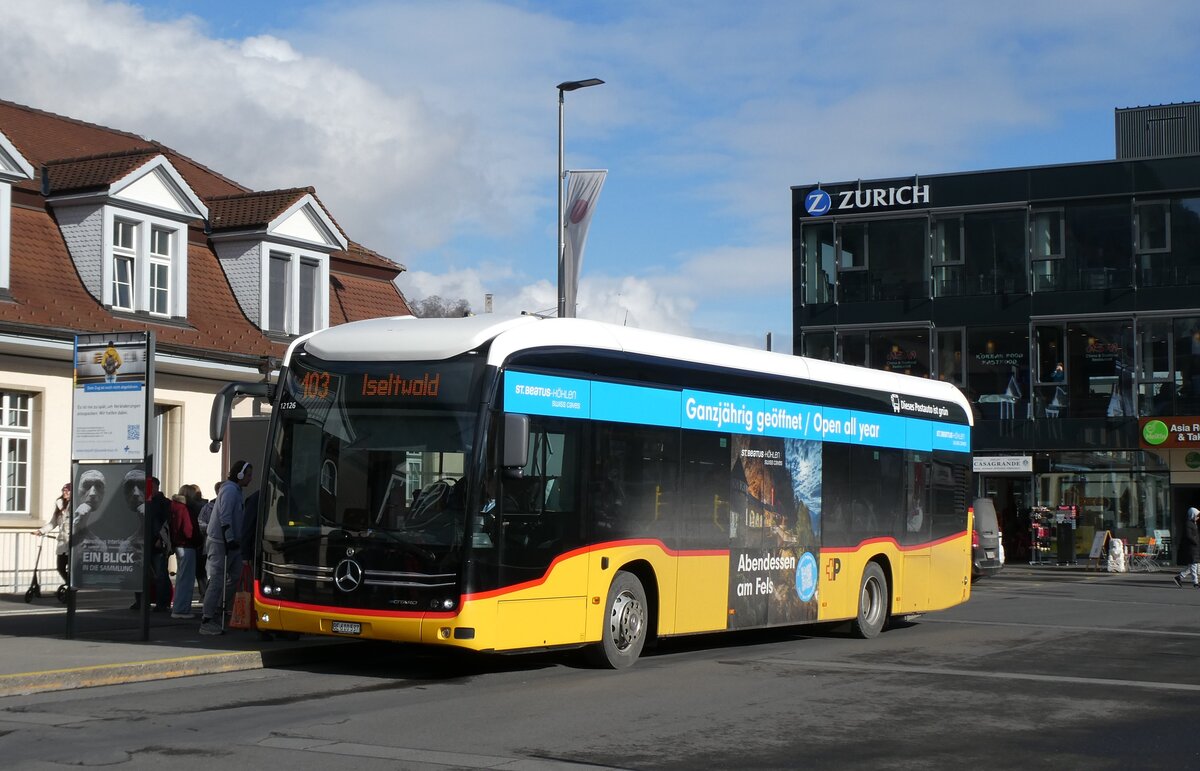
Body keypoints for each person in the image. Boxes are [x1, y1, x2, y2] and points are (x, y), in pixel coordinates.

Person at [200, 461, 253, 636]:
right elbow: (225, 516)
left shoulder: (236, 491)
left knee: (235, 576)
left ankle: (216, 609)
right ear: (240, 475)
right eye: (248, 475)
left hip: (232, 543)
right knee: (217, 579)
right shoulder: (229, 490)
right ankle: (207, 619)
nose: (250, 479)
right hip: (220, 542)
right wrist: (229, 538)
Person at [133, 476, 173, 612]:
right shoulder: (143, 503)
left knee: (160, 574)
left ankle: (162, 603)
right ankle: (141, 601)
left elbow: (166, 523)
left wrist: (161, 539)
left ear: (156, 487)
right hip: (144, 543)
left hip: (156, 544)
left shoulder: (163, 503)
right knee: (142, 574)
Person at [170, 490, 199, 619]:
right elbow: (188, 530)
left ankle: (178, 607)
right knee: (187, 580)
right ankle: (182, 610)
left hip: (178, 545)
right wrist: (198, 540)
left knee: (181, 578)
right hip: (187, 546)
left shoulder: (173, 506)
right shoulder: (185, 508)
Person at [36, 482, 72, 585]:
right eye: (63, 490)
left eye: (67, 491)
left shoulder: (75, 505)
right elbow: (53, 523)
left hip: (72, 542)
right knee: (60, 568)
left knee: (72, 569)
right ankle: (70, 585)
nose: (64, 492)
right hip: (62, 542)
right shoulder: (59, 504)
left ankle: (71, 587)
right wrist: (41, 531)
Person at [1174, 507, 1200, 588]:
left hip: (1195, 547)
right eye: (1197, 516)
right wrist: (1196, 542)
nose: (1198, 517)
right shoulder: (1188, 524)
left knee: (1193, 565)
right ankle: (1195, 582)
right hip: (1191, 548)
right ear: (1192, 515)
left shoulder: (1193, 523)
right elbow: (1189, 536)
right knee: (1194, 565)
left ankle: (1179, 577)